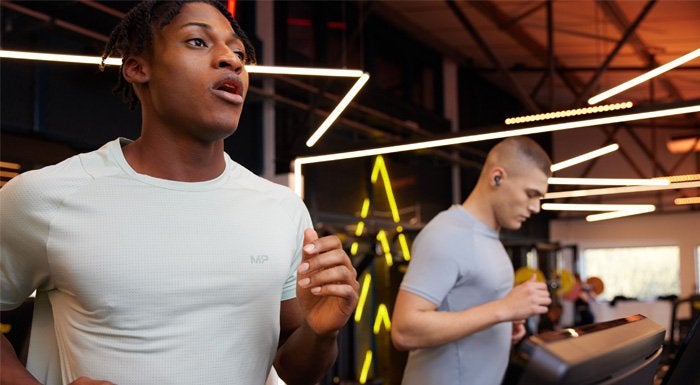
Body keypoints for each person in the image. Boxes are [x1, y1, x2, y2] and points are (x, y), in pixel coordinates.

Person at [0, 1, 359, 384]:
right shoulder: (46, 196)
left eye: (238, 52)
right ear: (139, 67)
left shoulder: (282, 209)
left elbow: (292, 371)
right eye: (197, 42)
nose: (231, 60)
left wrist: (323, 334)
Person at [391, 136, 553, 385]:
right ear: (497, 177)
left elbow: (470, 312)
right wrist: (503, 309)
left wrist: (505, 324)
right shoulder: (446, 233)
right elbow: (404, 330)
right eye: (531, 194)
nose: (536, 207)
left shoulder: (490, 239)